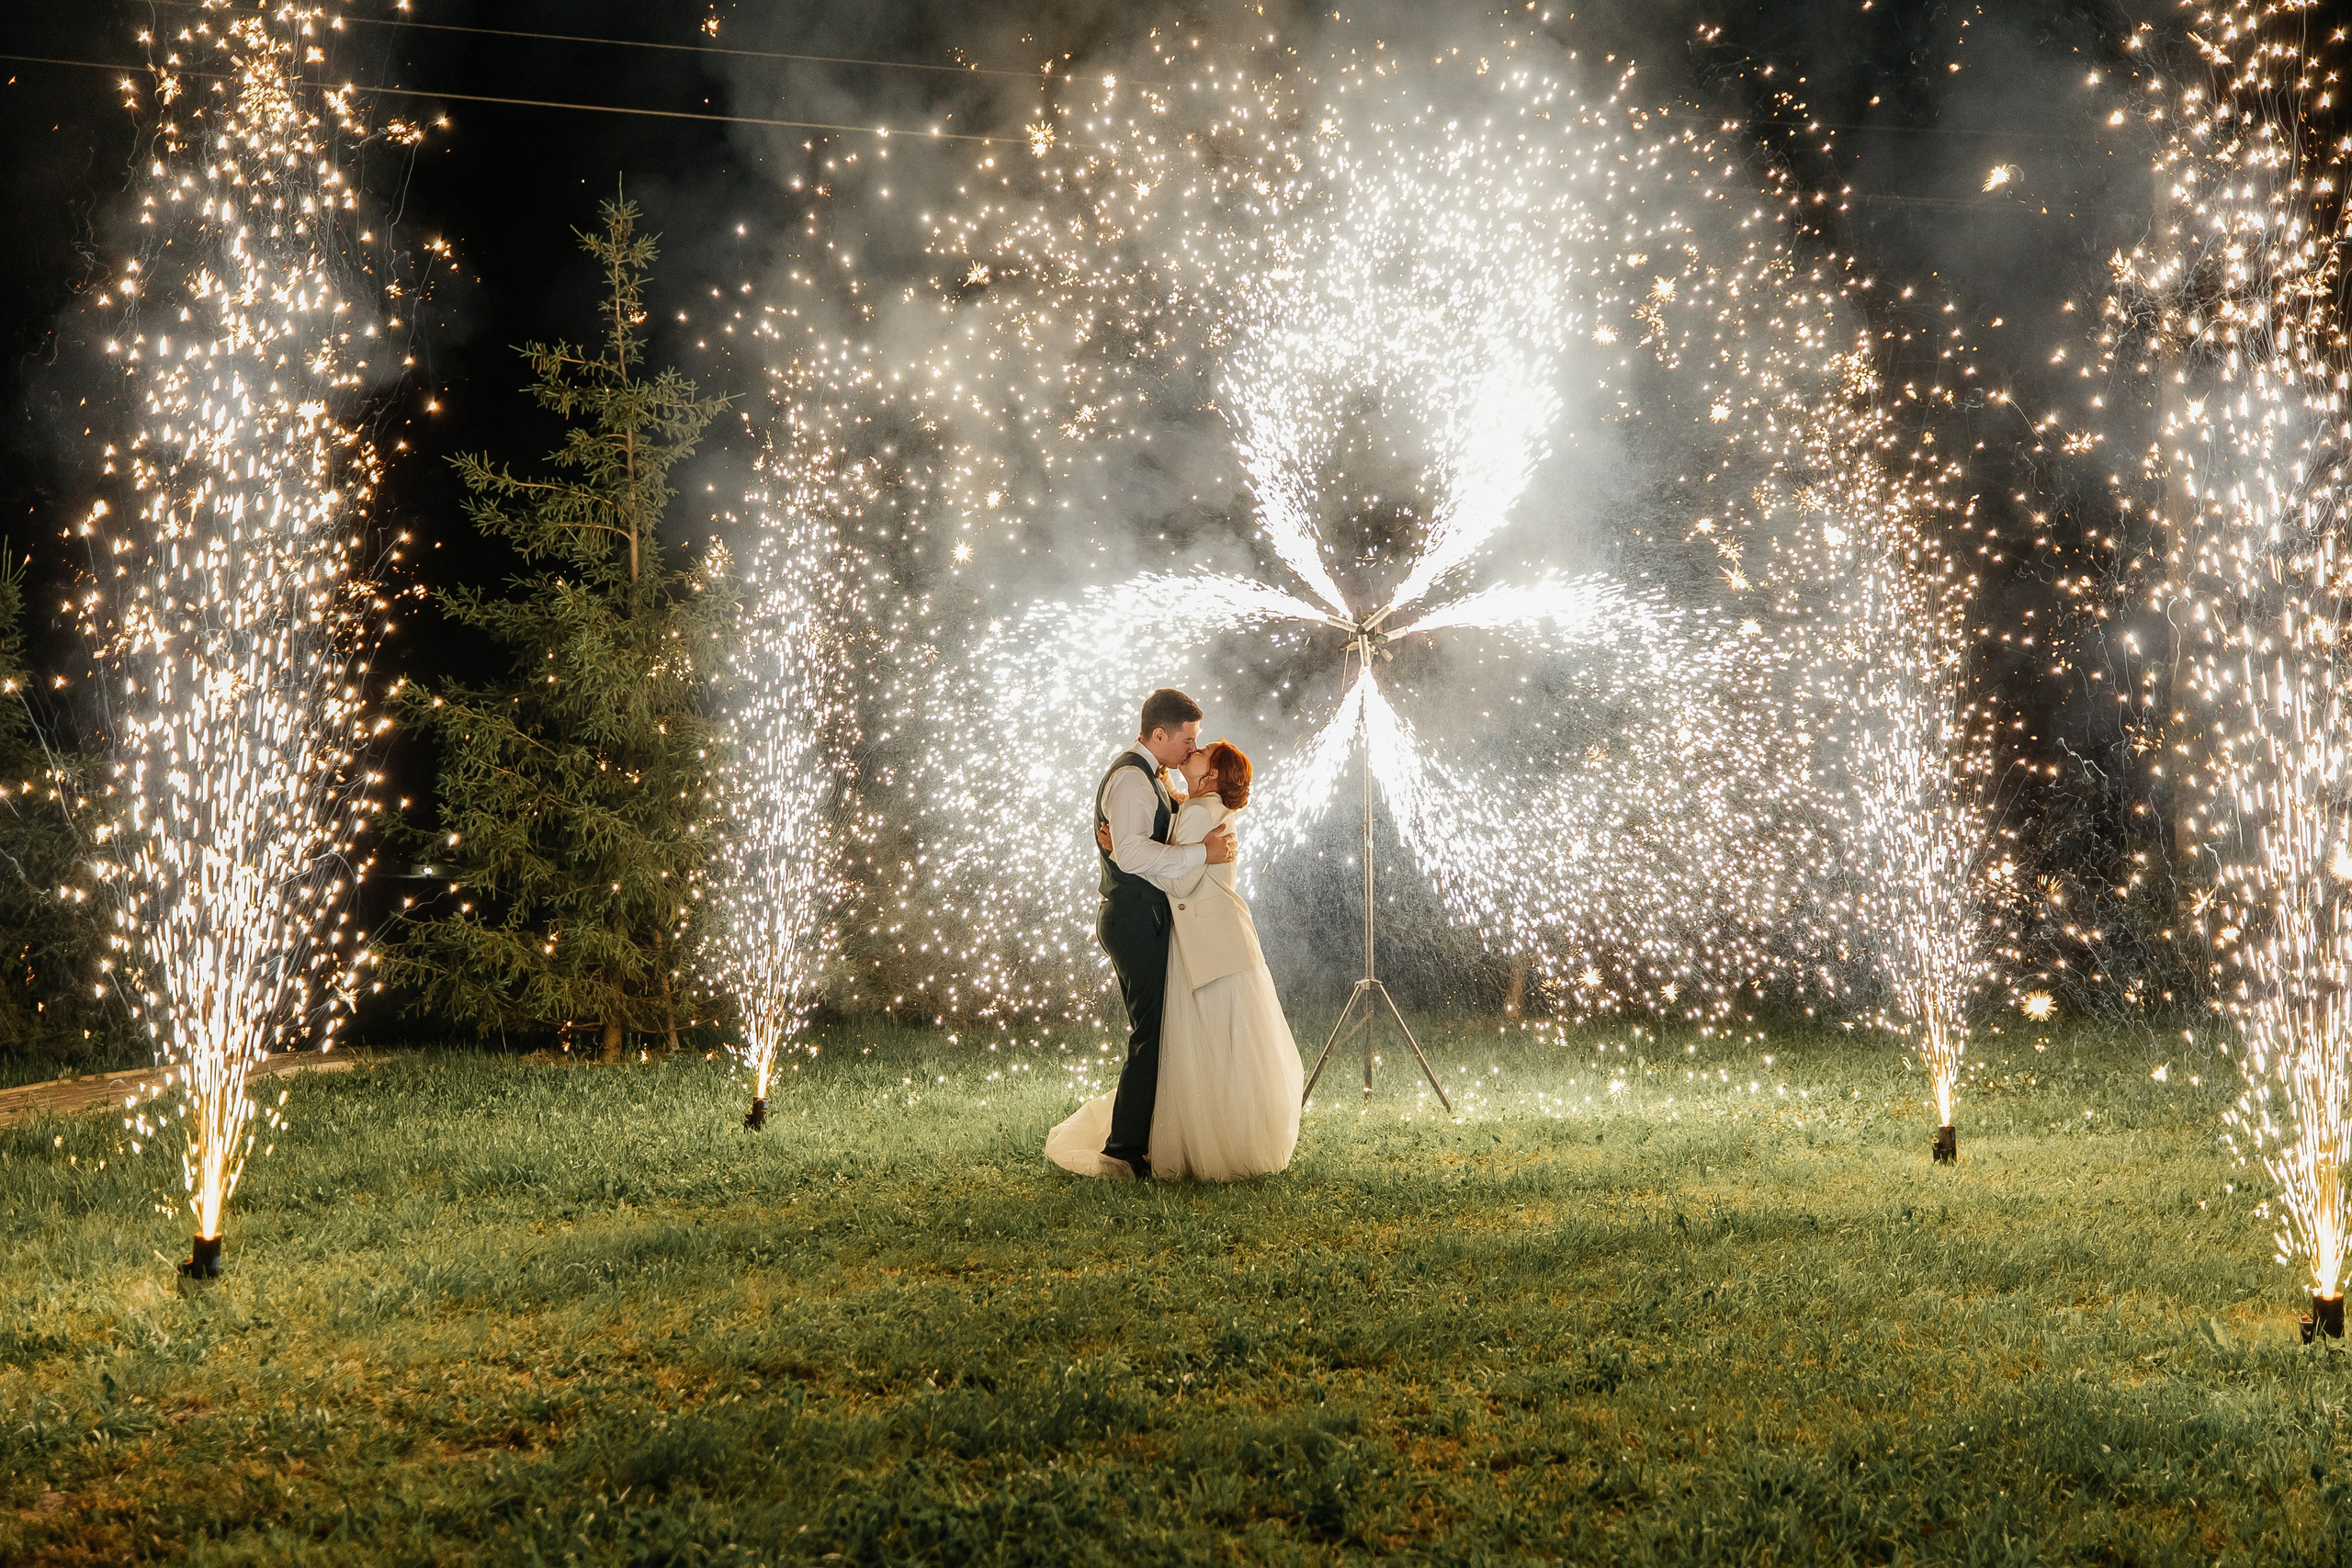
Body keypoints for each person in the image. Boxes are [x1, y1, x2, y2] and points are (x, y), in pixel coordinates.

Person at [1046, 724, 1303, 1181]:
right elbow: (1182, 853)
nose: (1194, 748)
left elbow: (1181, 880)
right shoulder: (1204, 805)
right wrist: (1144, 851)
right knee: (1224, 1044)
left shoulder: (1197, 811)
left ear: (1212, 775)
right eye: (1191, 739)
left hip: (1206, 941)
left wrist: (1128, 855)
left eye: (1202, 748)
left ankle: (1136, 1146)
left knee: (1194, 1042)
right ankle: (1227, 1138)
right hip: (1223, 939)